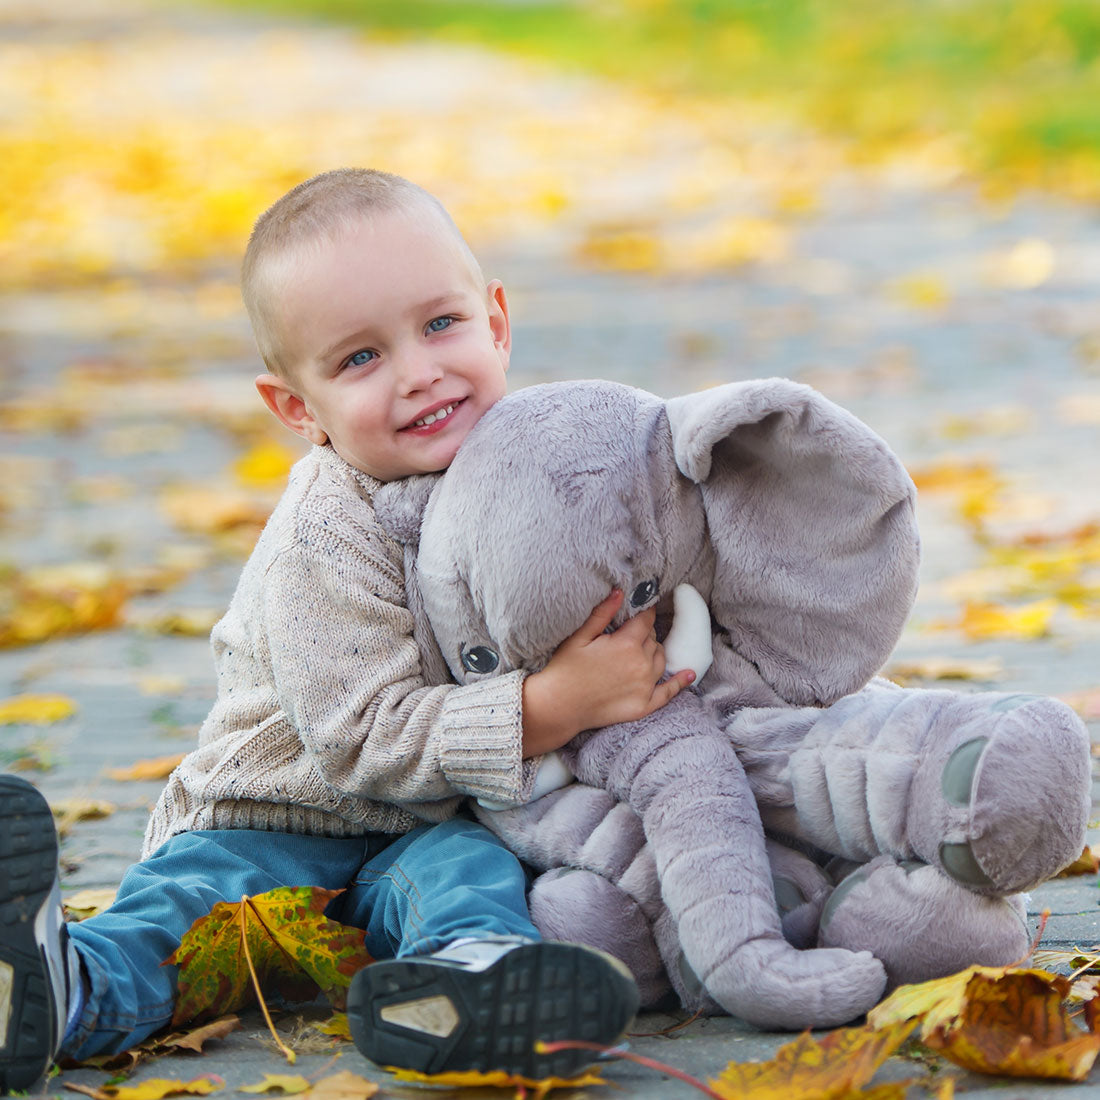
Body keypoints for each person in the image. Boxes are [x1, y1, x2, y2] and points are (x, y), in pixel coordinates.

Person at [0, 168, 696, 1092]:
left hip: (425, 828)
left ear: (496, 321)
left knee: (466, 876)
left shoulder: (541, 472)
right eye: (360, 359)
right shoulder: (323, 532)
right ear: (297, 408)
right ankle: (64, 986)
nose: (419, 373)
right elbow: (362, 741)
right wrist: (548, 707)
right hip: (272, 819)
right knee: (187, 911)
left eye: (440, 324)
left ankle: (471, 984)